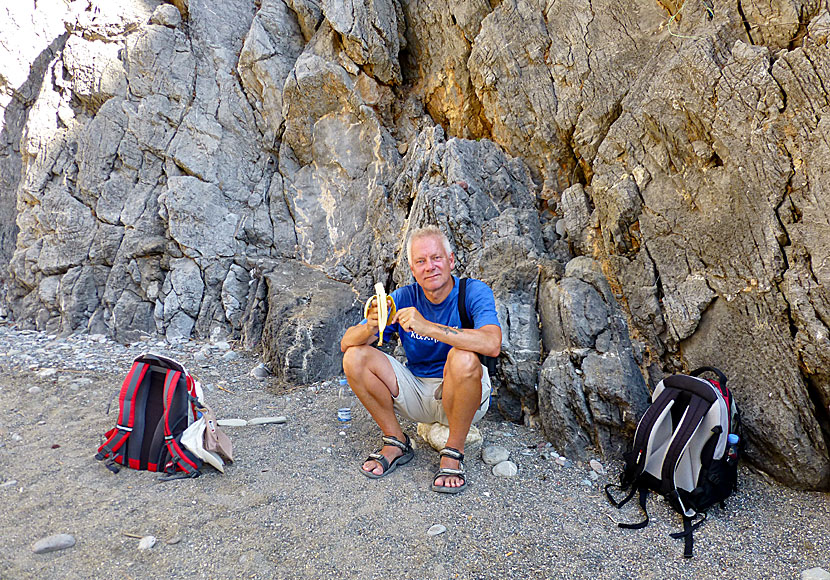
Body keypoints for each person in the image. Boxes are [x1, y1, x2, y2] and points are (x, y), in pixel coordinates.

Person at [340, 226, 501, 494]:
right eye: (420, 261)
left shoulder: (472, 292)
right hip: (416, 391)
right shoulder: (404, 297)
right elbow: (346, 342)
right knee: (356, 356)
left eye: (436, 258)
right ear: (413, 270)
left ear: (451, 261)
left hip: (464, 394)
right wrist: (370, 326)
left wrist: (428, 327)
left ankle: (453, 450)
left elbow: (492, 343)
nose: (430, 267)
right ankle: (395, 441)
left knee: (462, 356)